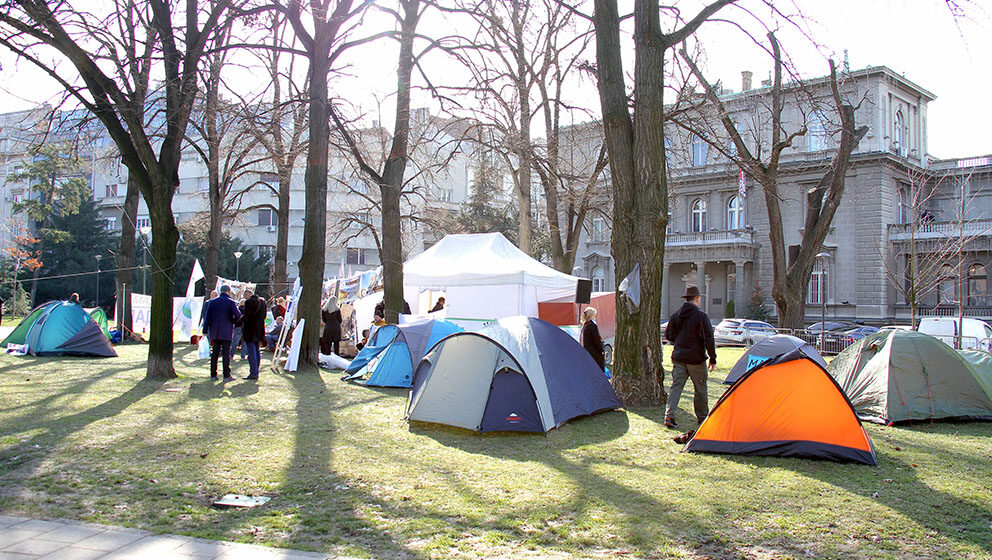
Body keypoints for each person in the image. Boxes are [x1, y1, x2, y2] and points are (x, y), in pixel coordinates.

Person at [663, 285, 717, 429]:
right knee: (700, 389)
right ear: (697, 299)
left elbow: (668, 335)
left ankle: (669, 414)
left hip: (679, 356)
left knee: (676, 387)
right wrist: (713, 358)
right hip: (696, 358)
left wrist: (679, 342)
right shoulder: (701, 316)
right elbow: (709, 338)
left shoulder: (675, 316)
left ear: (686, 299)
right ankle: (702, 417)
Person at [202, 285, 242, 380]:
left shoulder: (212, 302)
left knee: (214, 353)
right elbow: (238, 315)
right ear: (228, 292)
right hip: (226, 331)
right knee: (225, 354)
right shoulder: (231, 302)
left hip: (215, 331)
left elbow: (207, 317)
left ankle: (213, 374)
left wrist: (205, 330)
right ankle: (226, 375)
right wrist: (233, 322)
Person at [240, 290, 266, 380]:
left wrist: (239, 320)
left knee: (251, 352)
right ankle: (256, 371)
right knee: (257, 350)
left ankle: (253, 372)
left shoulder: (249, 302)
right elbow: (264, 316)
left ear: (248, 295)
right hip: (259, 330)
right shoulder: (263, 303)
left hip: (250, 330)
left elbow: (247, 317)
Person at [580, 307, 606, 372]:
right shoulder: (592, 326)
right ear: (591, 316)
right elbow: (596, 339)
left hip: (587, 350)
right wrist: (601, 350)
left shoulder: (584, 325)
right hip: (593, 351)